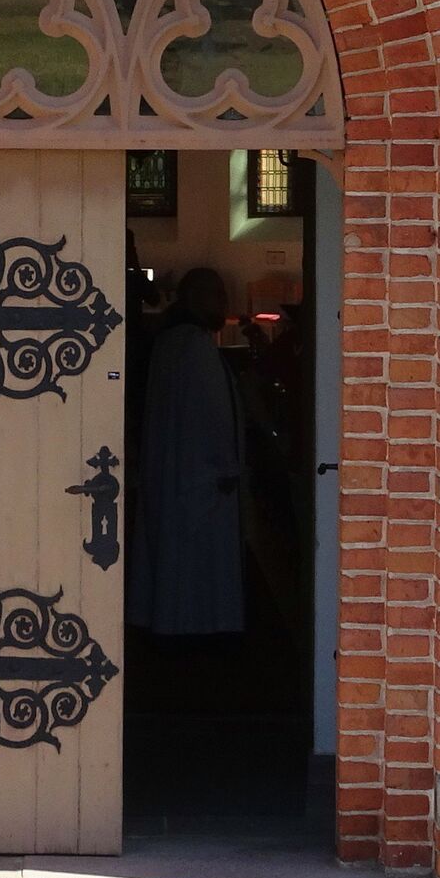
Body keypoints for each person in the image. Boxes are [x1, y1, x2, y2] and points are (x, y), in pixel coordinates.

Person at [126, 266, 246, 636]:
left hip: (181, 467)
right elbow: (212, 412)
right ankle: (197, 626)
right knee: (197, 561)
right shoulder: (193, 346)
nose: (224, 302)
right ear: (197, 298)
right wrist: (225, 465)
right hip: (200, 473)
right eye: (218, 294)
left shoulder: (172, 343)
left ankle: (176, 621)